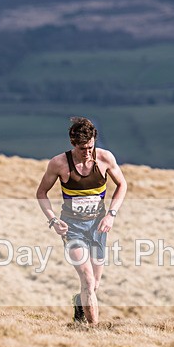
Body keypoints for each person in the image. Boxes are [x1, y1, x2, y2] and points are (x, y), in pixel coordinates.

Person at [36, 117, 128, 324]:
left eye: (90, 147)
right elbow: (41, 192)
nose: (87, 153)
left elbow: (122, 185)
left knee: (94, 284)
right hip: (72, 227)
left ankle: (80, 303)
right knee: (86, 277)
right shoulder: (59, 163)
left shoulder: (105, 158)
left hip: (98, 227)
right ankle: (93, 330)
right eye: (82, 148)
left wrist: (111, 215)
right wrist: (53, 220)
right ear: (72, 143)